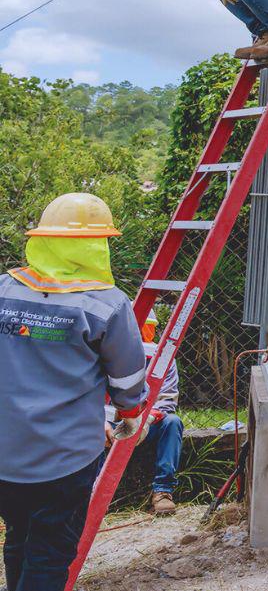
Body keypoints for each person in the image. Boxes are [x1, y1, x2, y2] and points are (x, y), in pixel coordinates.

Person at [0, 193, 147, 591]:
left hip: (6, 456)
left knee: (19, 535)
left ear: (42, 240)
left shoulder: (4, 291)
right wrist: (129, 413)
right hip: (64, 459)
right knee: (49, 553)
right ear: (96, 246)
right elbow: (127, 378)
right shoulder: (106, 305)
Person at [106, 314, 182, 515]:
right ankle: (92, 493)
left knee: (173, 423)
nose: (142, 335)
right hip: (115, 423)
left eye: (146, 329)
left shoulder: (163, 357)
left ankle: (162, 492)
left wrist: (145, 420)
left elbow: (167, 400)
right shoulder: (111, 354)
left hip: (150, 423)